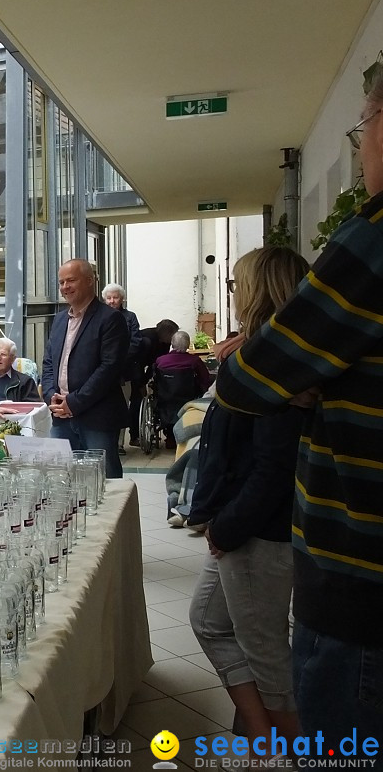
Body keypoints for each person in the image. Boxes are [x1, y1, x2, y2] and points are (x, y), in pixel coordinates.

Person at [215, 72, 383, 747]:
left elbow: (249, 380)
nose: (363, 144)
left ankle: (263, 745)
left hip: (361, 592)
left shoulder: (374, 240)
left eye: (363, 126)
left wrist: (301, 376)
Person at [187, 246, 309, 758]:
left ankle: (292, 754)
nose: (233, 296)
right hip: (244, 523)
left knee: (267, 653)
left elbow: (273, 469)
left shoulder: (277, 366)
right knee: (208, 621)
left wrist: (226, 527)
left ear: (259, 292)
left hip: (260, 530)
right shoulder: (261, 355)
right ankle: (263, 739)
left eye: (237, 285)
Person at [41, 258, 130, 478]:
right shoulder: (59, 320)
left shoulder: (111, 319)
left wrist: (74, 402)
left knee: (104, 482)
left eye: (71, 280)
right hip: (61, 416)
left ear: (90, 281)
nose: (64, 287)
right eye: (61, 282)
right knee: (65, 480)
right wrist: (52, 396)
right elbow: (49, 362)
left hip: (96, 417)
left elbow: (109, 368)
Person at [153, 330, 214, 448]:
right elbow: (205, 379)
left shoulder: (160, 361)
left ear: (172, 344)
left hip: (165, 398)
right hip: (188, 398)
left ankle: (170, 437)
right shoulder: (194, 361)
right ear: (187, 345)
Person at [103, 283, 142, 453]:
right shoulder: (99, 316)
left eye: (115, 297)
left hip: (123, 372)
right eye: (109, 298)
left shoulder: (130, 317)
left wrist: (119, 360)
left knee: (122, 405)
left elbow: (136, 341)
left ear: (122, 299)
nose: (112, 301)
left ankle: (118, 443)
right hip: (103, 371)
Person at [129, 318, 179, 446]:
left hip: (149, 365)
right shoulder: (146, 340)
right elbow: (137, 364)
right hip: (133, 367)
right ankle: (134, 435)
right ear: (167, 333)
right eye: (173, 335)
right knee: (137, 400)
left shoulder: (165, 342)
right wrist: (141, 384)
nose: (174, 340)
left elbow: (159, 363)